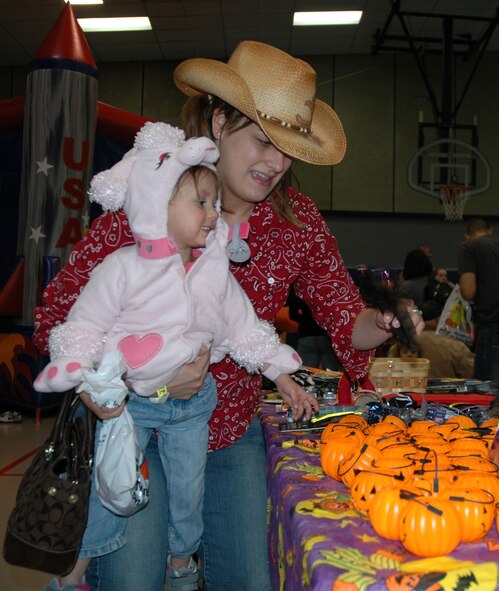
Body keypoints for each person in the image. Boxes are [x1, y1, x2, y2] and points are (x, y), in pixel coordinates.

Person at [33, 41, 424, 591]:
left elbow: (345, 317)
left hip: (229, 432)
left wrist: (381, 320)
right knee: (135, 576)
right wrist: (137, 372)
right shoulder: (154, 198)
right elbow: (59, 317)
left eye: (288, 150)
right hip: (134, 427)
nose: (276, 164)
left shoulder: (297, 222)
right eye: (263, 141)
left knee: (246, 578)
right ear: (219, 121)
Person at [34, 122, 314, 591]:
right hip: (131, 407)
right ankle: (76, 572)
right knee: (116, 492)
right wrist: (84, 374)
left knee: (190, 488)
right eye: (200, 204)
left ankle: (183, 557)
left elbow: (245, 326)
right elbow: (81, 320)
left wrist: (282, 374)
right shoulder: (123, 264)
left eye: (213, 205)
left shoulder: (212, 268)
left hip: (196, 410)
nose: (211, 214)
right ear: (157, 204)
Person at [458, 217, 499, 380]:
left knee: (487, 387)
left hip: (491, 324)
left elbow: (468, 291)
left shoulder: (468, 247)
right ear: (490, 231)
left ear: (467, 235)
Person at [287, 287, 342, 370]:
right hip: (327, 335)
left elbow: (293, 315)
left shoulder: (298, 288)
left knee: (306, 373)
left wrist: (305, 320)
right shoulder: (328, 287)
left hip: (306, 334)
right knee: (332, 374)